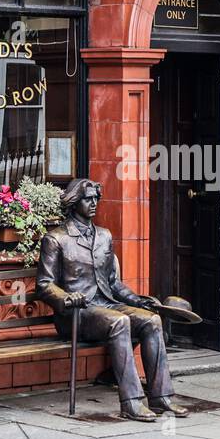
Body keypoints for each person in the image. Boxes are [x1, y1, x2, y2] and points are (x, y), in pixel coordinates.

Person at [36, 178, 188, 422]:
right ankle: (131, 402)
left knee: (151, 320)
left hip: (106, 304)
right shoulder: (56, 239)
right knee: (119, 322)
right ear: (74, 202)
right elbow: (44, 285)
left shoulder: (104, 236)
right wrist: (66, 298)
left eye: (96, 198)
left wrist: (138, 300)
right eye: (88, 198)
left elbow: (114, 283)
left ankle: (161, 397)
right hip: (76, 313)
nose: (94, 203)